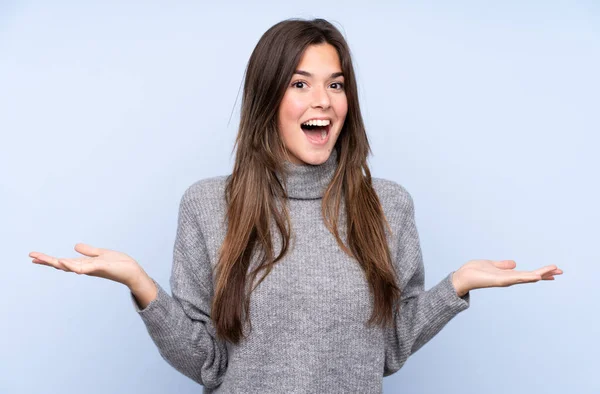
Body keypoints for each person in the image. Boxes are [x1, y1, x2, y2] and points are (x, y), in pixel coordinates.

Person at [29, 18, 562, 393]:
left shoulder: (388, 206)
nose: (322, 101)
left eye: (335, 84)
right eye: (300, 84)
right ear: (268, 99)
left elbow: (389, 350)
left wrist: (456, 287)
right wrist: (141, 286)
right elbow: (208, 365)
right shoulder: (209, 205)